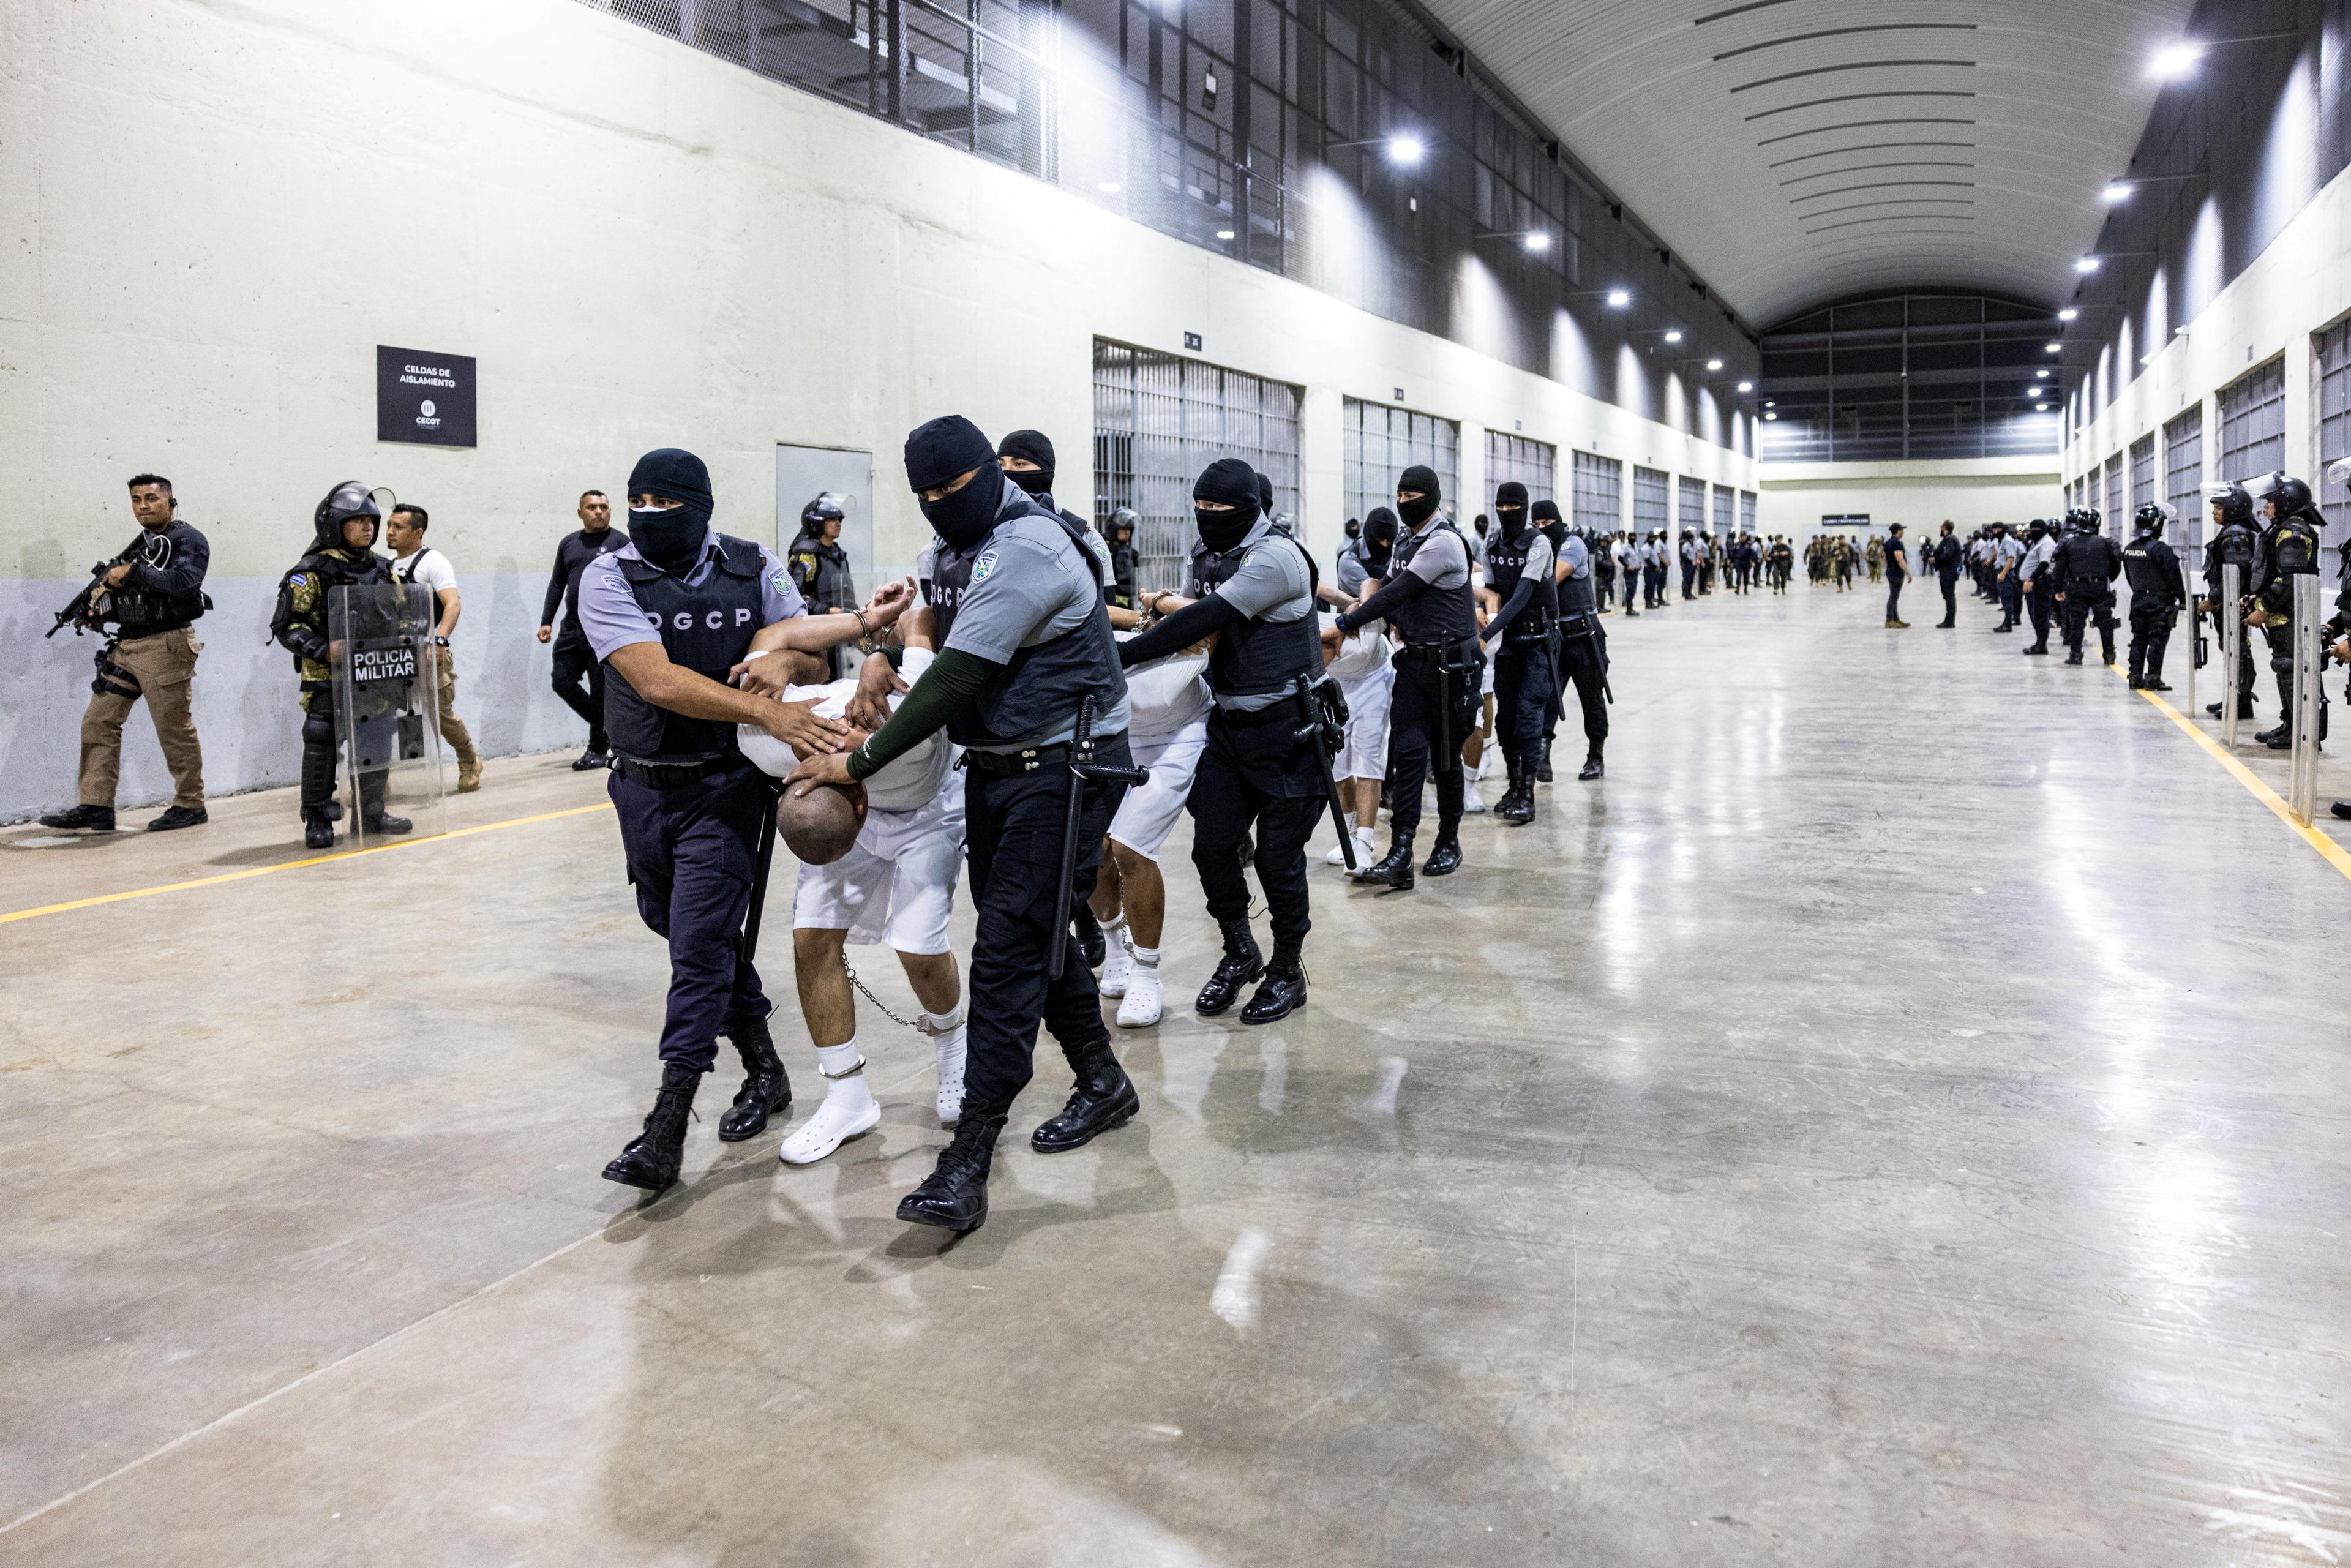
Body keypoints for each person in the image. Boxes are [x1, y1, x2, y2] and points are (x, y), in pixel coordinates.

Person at [789, 415, 1134, 1236]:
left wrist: (858, 764)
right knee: (1033, 930)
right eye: (928, 493)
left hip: (1067, 763)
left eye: (954, 487)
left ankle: (968, 1158)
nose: (941, 502)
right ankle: (1103, 1081)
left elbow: (954, 678)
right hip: (999, 763)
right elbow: (929, 630)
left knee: (1009, 948)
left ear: (991, 472)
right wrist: (881, 654)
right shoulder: (950, 550)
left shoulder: (1028, 547)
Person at [580, 446, 908, 1193]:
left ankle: (667, 1125)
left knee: (699, 946)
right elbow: (656, 680)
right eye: (639, 503)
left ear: (699, 507)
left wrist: (784, 667)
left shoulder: (752, 563)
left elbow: (807, 656)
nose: (648, 516)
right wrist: (768, 711)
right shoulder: (607, 575)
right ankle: (764, 1066)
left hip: (724, 786)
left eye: (665, 504)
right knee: (675, 925)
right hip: (642, 785)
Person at [749, 613, 969, 1165]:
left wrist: (879, 652)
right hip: (851, 804)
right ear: (792, 782)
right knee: (811, 939)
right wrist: (787, 661)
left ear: (861, 800)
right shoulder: (763, 741)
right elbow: (772, 639)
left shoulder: (909, 726)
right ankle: (847, 1097)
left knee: (918, 945)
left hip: (929, 807)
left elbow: (921, 620)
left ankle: (953, 1045)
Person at [1117, 457, 1327, 1023]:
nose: (1206, 516)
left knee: (1279, 860)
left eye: (1217, 507)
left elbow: (1205, 615)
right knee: (1213, 848)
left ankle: (1288, 971)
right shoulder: (1208, 553)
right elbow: (1198, 616)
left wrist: (1122, 654)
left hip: (1289, 729)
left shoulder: (1276, 556)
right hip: (1229, 726)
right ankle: (1240, 950)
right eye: (1200, 506)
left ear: (1248, 508)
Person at [1327, 464, 1479, 890]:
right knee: (1408, 758)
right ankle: (1401, 852)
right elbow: (1387, 585)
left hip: (1451, 669)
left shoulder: (1444, 542)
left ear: (1432, 497)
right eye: (1400, 495)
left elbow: (1399, 591)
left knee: (1445, 760)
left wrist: (1345, 623)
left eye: (1412, 496)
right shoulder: (1405, 539)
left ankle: (1448, 841)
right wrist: (1365, 601)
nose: (1403, 502)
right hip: (1413, 664)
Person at [39, 473, 211, 834]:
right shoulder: (141, 546)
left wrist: (133, 572)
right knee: (98, 721)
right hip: (128, 646)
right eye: (136, 500)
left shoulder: (187, 539)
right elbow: (136, 600)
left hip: (165, 645)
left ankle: (190, 804)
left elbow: (185, 583)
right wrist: (101, 613)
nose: (143, 506)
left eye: (151, 498)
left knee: (173, 728)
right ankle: (96, 805)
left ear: (170, 501)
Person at [269, 483, 410, 849]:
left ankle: (371, 813)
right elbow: (287, 626)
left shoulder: (384, 569)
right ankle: (318, 820)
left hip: (376, 674)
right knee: (322, 743)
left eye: (371, 521)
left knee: (377, 740)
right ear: (334, 525)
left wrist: (413, 643)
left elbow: (405, 614)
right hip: (328, 678)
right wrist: (323, 649)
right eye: (358, 520)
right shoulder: (312, 571)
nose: (368, 527)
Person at [1089, 604, 1210, 1028]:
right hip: (1117, 736)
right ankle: (1115, 945)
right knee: (1091, 845)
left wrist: (1156, 622)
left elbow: (1208, 622)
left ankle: (1147, 971)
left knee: (1130, 847)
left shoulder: (1182, 639)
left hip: (1179, 733)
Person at [384, 504, 482, 793]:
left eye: (398, 527)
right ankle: (379, 779)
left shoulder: (433, 562)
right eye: (389, 525)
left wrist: (440, 641)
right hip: (396, 656)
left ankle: (469, 759)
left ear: (418, 532)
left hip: (428, 652)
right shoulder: (386, 565)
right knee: (392, 716)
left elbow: (453, 604)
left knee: (440, 714)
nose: (389, 532)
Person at [1476, 482, 1555, 825]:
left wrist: (1487, 633)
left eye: (1513, 506)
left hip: (1537, 642)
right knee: (1506, 719)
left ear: (1524, 508)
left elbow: (1523, 595)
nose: (1506, 512)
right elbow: (1492, 592)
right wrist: (1480, 614)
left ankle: (1527, 793)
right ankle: (1513, 785)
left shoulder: (1539, 544)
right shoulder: (1491, 544)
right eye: (1501, 506)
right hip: (1508, 644)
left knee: (1528, 717)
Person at [1322, 508, 1397, 865]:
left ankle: (1365, 841)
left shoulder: (1362, 637)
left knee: (1368, 757)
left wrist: (1356, 611)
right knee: (1338, 764)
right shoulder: (1349, 560)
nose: (1385, 544)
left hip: (1374, 675)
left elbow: (1373, 588)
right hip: (1339, 683)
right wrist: (1350, 606)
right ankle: (1349, 836)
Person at [540, 490, 630, 769]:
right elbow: (557, 583)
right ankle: (607, 728)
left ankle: (597, 749)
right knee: (562, 682)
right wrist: (546, 621)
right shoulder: (569, 544)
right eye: (592, 507)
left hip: (605, 629)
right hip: (573, 629)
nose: (599, 511)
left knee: (602, 690)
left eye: (604, 506)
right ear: (580, 513)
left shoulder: (622, 543)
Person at [2248, 473, 2327, 750]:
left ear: (2286, 502)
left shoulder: (2292, 533)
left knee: (2291, 670)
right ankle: (2290, 724)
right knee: (2284, 668)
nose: (2266, 507)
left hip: (2291, 615)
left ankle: (2301, 731)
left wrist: (2264, 609)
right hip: (2284, 615)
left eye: (2270, 502)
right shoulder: (2282, 530)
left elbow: (2290, 579)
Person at [2201, 482, 2262, 722]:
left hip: (2234, 605)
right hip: (2228, 605)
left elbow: (2235, 575)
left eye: (2219, 508)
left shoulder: (2235, 535)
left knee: (2239, 651)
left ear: (2233, 509)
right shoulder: (2231, 532)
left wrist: (2212, 600)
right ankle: (2234, 696)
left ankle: (2241, 701)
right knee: (2231, 649)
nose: (2214, 512)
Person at [2121, 503, 2187, 691]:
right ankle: (2153, 679)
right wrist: (2182, 599)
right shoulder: (2161, 549)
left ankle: (2135, 678)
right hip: (2159, 602)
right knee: (2157, 641)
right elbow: (2174, 577)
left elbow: (2130, 577)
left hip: (2138, 600)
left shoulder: (2129, 549)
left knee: (2138, 639)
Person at [2053, 508, 2121, 667]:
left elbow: (2059, 570)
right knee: (2105, 623)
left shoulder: (2068, 542)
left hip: (2076, 588)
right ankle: (2109, 655)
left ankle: (2076, 655)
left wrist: (2058, 589)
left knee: (2077, 622)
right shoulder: (2107, 542)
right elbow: (2116, 565)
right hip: (2100, 588)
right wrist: (2106, 579)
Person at [2017, 519, 2058, 655]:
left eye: (2034, 530)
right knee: (2035, 614)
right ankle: (2039, 643)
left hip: (2041, 584)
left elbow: (2044, 564)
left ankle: (2041, 645)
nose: (2032, 533)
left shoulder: (2046, 544)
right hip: (2036, 584)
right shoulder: (2039, 542)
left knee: (2040, 615)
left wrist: (2032, 578)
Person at [1103, 507, 1141, 612]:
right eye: (1123, 529)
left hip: (1130, 602)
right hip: (1110, 604)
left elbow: (1137, 578)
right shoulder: (1104, 550)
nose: (1127, 532)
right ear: (1113, 529)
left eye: (1129, 529)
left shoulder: (1132, 553)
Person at [1928, 521, 1963, 628]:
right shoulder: (1950, 538)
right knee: (1948, 595)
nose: (1940, 528)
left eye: (1941, 527)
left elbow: (1948, 554)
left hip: (1949, 571)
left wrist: (1935, 559)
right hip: (1948, 570)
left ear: (1945, 528)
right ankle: (1948, 620)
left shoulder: (1950, 539)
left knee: (1949, 595)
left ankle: (1950, 622)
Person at [1882, 523, 1911, 628]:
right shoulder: (1897, 543)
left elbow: (1885, 559)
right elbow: (1900, 559)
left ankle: (1896, 619)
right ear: (1899, 531)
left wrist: (1888, 569)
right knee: (1893, 597)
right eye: (1902, 530)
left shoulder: (1887, 543)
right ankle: (1889, 620)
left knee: (1894, 596)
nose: (1903, 532)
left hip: (1890, 572)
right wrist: (1908, 573)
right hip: (1897, 573)